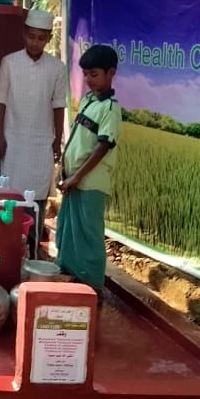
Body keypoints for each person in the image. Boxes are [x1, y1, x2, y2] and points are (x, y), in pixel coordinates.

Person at [0, 9, 67, 258]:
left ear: (49, 38)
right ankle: (5, 251)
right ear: (24, 34)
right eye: (31, 36)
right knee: (9, 196)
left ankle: (32, 253)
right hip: (12, 139)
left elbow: (59, 105)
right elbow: (0, 101)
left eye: (41, 38)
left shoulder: (57, 68)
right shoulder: (9, 63)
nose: (35, 42)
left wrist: (57, 140)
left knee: (37, 199)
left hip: (41, 142)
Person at [57, 44, 122, 295]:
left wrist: (77, 176)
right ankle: (70, 277)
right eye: (85, 74)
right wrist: (65, 171)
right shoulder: (88, 101)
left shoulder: (110, 109)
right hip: (74, 179)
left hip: (91, 183)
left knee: (88, 233)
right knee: (69, 230)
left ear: (111, 73)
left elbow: (102, 147)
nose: (88, 80)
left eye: (94, 74)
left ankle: (92, 287)